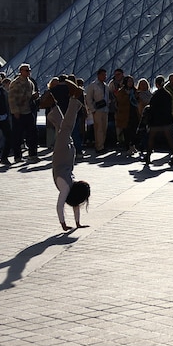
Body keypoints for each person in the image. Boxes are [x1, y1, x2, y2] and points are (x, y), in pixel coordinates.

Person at [50, 80, 90, 231]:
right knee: (63, 129)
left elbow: (60, 206)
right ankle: (52, 105)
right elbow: (75, 204)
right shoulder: (71, 189)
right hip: (66, 159)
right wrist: (78, 224)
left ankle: (75, 98)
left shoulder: (66, 189)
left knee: (66, 128)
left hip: (61, 158)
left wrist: (63, 224)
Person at [8, 63, 40, 162]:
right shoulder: (15, 83)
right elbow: (12, 99)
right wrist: (15, 111)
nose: (28, 72)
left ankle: (33, 154)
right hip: (19, 112)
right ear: (21, 71)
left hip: (28, 111)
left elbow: (30, 95)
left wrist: (35, 96)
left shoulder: (30, 82)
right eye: (26, 70)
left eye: (29, 70)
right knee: (18, 135)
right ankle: (17, 156)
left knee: (32, 133)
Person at [85, 68, 110, 154]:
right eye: (103, 75)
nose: (105, 76)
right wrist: (93, 109)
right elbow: (88, 98)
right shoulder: (93, 85)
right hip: (97, 110)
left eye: (105, 75)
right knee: (98, 128)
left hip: (105, 110)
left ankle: (101, 145)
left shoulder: (106, 86)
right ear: (98, 75)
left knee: (104, 128)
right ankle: (99, 147)